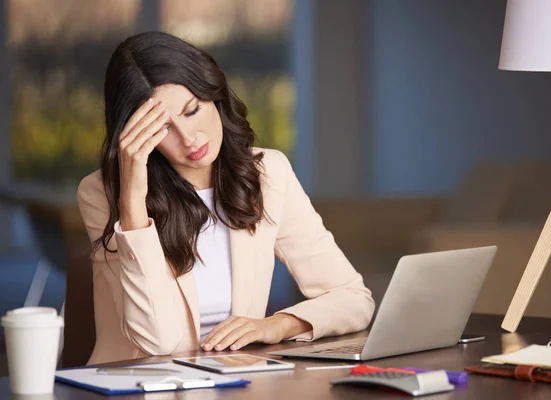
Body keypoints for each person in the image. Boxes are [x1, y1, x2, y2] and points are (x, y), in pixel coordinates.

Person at [77, 31, 375, 365]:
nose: (189, 139)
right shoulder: (101, 193)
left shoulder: (268, 174)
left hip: (235, 381)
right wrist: (132, 201)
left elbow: (354, 299)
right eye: (161, 129)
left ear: (214, 93)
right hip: (142, 385)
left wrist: (276, 325)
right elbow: (156, 343)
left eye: (191, 111)